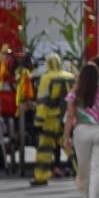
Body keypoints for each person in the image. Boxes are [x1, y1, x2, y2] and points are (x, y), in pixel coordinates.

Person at [60, 63, 99, 198]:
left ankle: (86, 197)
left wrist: (66, 136)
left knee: (84, 166)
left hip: (81, 132)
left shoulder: (75, 93)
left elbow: (70, 116)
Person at [30, 54, 75, 186]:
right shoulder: (70, 77)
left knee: (44, 150)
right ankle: (82, 174)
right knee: (70, 148)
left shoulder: (46, 78)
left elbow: (43, 102)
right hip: (66, 118)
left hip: (50, 119)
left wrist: (38, 122)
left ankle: (41, 177)